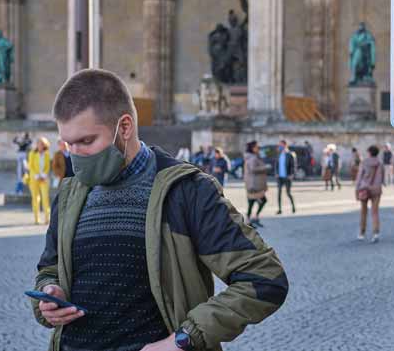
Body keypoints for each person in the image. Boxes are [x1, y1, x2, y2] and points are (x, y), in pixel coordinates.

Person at [31, 70, 287, 351]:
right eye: (69, 143)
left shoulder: (188, 191)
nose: (75, 154)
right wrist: (48, 295)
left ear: (125, 127)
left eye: (87, 141)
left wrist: (182, 340)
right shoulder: (69, 196)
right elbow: (50, 268)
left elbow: (265, 277)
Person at [355, 146, 385, 243]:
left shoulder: (364, 162)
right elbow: (382, 178)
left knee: (364, 212)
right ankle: (376, 233)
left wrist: (357, 190)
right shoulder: (380, 163)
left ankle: (362, 233)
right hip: (376, 189)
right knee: (375, 212)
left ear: (369, 152)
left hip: (364, 189)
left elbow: (359, 177)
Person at [244, 140, 271, 227]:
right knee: (261, 201)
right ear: (252, 148)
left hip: (252, 183)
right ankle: (251, 219)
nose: (258, 148)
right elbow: (253, 169)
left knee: (252, 202)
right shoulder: (252, 157)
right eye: (256, 147)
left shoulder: (252, 156)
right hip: (254, 184)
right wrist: (265, 167)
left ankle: (251, 219)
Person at [27, 137, 52, 225]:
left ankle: (47, 218)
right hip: (34, 179)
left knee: (45, 198)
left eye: (42, 144)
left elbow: (48, 167)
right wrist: (37, 175)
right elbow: (30, 166)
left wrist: (43, 175)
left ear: (45, 145)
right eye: (38, 143)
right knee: (36, 199)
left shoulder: (47, 154)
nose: (40, 145)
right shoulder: (32, 154)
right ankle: (36, 219)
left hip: (44, 179)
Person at [275, 140, 297, 215]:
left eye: (281, 145)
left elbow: (293, 165)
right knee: (279, 193)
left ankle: (293, 207)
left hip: (287, 177)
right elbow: (276, 165)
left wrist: (292, 174)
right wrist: (276, 173)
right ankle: (279, 209)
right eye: (279, 145)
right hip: (280, 177)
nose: (280, 147)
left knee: (288, 193)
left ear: (285, 145)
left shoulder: (290, 154)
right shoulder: (279, 154)